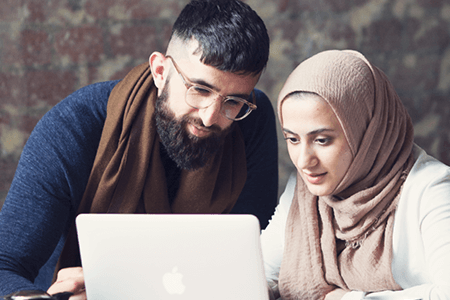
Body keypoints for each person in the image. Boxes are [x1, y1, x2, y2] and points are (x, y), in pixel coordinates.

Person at [0, 0, 278, 298]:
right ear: (160, 71)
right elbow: (6, 264)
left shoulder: (251, 119)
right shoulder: (74, 127)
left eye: (233, 101)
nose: (211, 116)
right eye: (199, 89)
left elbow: (250, 260)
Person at [261, 49, 450, 300]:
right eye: (292, 139)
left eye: (322, 140)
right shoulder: (306, 191)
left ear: (366, 131)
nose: (304, 160)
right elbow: (259, 272)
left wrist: (345, 299)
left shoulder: (431, 189)